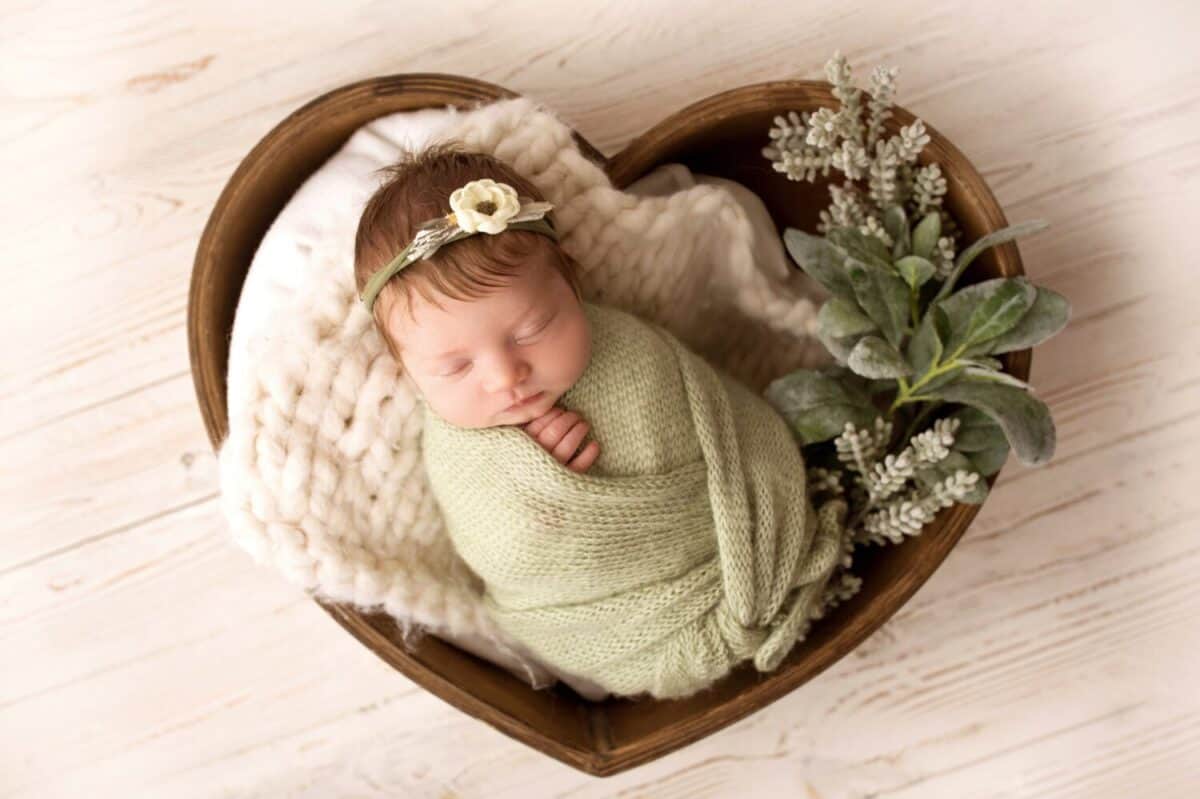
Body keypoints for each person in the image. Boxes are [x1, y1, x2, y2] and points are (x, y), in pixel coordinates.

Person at [353, 140, 601, 472]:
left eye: (532, 330)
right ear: (406, 370)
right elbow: (478, 520)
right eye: (455, 368)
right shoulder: (454, 458)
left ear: (573, 285)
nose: (506, 377)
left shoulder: (632, 353)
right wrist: (538, 486)